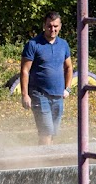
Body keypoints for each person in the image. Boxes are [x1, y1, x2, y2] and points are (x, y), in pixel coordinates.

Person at [20, 12, 73, 145]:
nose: (52, 29)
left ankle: (45, 157)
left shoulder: (63, 45)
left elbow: (69, 68)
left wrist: (67, 88)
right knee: (46, 130)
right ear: (44, 26)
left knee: (53, 131)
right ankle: (46, 161)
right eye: (49, 26)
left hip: (58, 95)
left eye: (55, 26)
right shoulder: (33, 44)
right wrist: (25, 95)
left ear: (60, 26)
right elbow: (25, 70)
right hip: (39, 94)